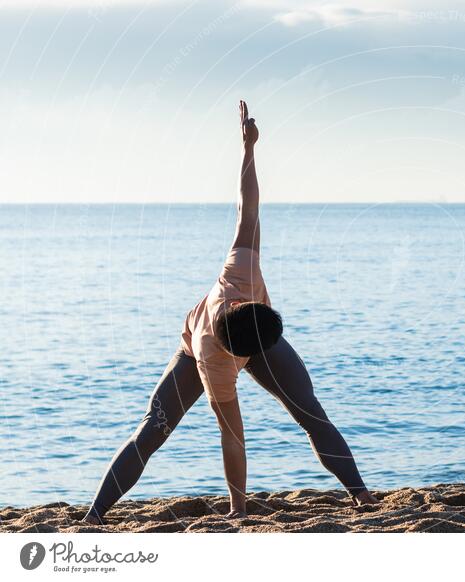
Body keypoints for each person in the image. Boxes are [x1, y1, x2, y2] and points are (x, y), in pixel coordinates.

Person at [83, 101, 378, 524]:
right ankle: (94, 514)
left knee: (311, 412)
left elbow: (248, 206)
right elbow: (233, 435)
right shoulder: (212, 359)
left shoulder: (241, 271)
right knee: (154, 427)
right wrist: (239, 510)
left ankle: (361, 494)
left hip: (252, 338)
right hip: (197, 347)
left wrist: (248, 149)